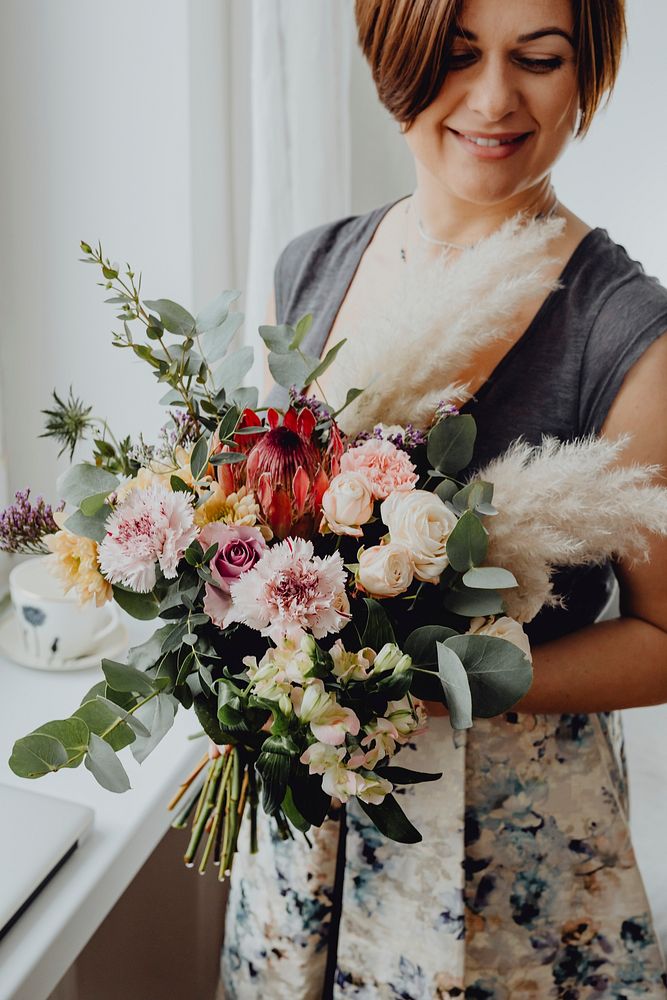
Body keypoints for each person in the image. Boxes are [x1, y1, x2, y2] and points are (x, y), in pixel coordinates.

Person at [220, 1, 667, 996]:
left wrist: (438, 674)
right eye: (459, 54)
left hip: (507, 865)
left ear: (586, 68)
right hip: (309, 836)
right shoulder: (310, 266)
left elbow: (665, 635)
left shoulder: (627, 331)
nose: (495, 98)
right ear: (394, 52)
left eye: (538, 59)